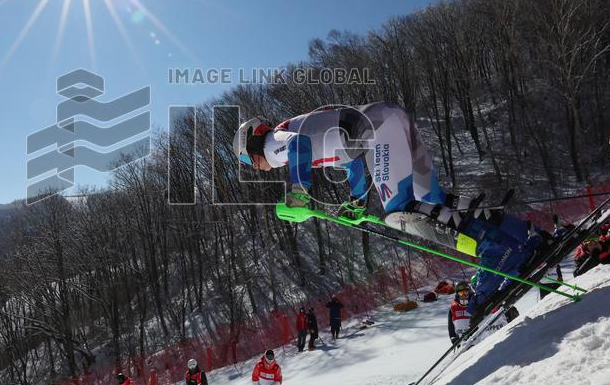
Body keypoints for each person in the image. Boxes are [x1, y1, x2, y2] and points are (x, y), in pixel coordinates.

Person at [234, 106, 547, 321]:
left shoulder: (274, 142)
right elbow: (352, 163)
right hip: (388, 119)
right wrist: (357, 201)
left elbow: (298, 147)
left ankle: (497, 251)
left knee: (400, 212)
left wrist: (299, 193)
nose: (256, 168)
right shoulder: (305, 135)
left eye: (249, 162)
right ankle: (522, 235)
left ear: (253, 145)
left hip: (377, 129)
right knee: (432, 199)